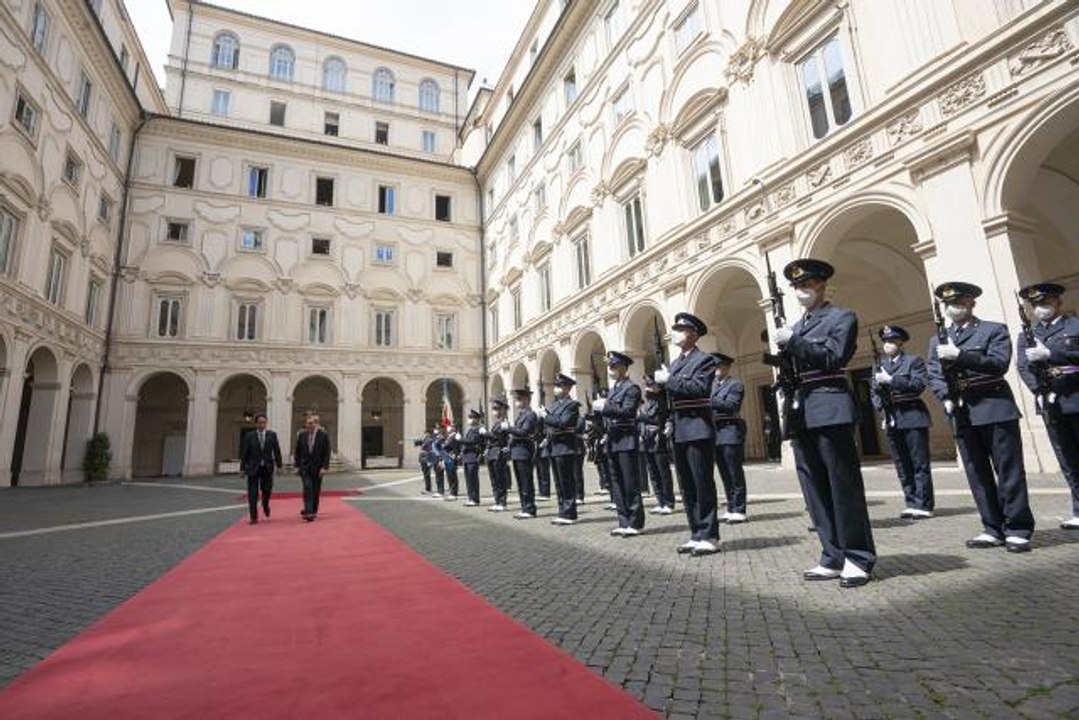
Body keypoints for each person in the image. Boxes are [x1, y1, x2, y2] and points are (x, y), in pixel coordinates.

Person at [773, 259, 876, 587]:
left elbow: (833, 357)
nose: (801, 292)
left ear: (821, 285)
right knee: (814, 488)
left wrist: (792, 342)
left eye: (806, 285)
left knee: (843, 485)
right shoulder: (799, 324)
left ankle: (857, 556)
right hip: (801, 410)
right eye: (797, 288)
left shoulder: (841, 317)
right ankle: (832, 555)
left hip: (830, 405)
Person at [927, 281, 1035, 552]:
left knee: (1008, 470)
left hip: (993, 404)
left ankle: (1018, 527)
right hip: (961, 411)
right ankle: (992, 527)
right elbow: (934, 373)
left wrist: (960, 355)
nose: (954, 308)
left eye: (959, 302)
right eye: (949, 304)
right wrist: (946, 397)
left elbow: (998, 364)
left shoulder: (993, 330)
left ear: (971, 303)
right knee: (977, 472)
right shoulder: (937, 340)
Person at [654, 312, 720, 556]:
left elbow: (699, 388)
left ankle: (710, 534)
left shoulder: (705, 360)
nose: (677, 333)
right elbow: (673, 395)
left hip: (698, 428)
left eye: (681, 329)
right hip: (681, 428)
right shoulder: (677, 362)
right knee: (687, 485)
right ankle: (696, 533)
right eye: (676, 328)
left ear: (693, 334)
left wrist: (669, 381)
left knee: (702, 483)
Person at [1017, 282, 1079, 529]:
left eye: (1045, 302)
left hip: (1075, 395)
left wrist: (1051, 355)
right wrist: (1039, 390)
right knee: (1067, 458)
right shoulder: (1027, 335)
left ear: (1058, 302)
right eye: (1036, 305)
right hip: (1050, 402)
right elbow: (1023, 366)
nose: (1041, 308)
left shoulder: (1074, 325)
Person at [871, 325, 935, 519]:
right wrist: (882, 410)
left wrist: (891, 380)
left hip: (912, 414)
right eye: (885, 342)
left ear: (900, 342)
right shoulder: (879, 365)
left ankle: (924, 504)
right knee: (901, 463)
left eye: (892, 341)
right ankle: (911, 501)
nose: (888, 345)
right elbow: (874, 392)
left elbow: (917, 386)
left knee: (919, 462)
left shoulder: (913, 361)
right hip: (892, 418)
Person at [595, 352, 645, 536]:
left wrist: (606, 407)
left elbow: (628, 411)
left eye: (614, 367)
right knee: (616, 483)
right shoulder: (614, 389)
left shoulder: (632, 388)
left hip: (625, 439)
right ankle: (623, 521)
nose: (611, 370)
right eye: (610, 367)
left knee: (630, 483)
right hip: (613, 440)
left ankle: (635, 522)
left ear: (624, 367)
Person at [710, 353, 748, 524]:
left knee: (735, 472)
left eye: (718, 367)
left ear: (726, 367)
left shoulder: (735, 384)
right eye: (714, 367)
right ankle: (731, 506)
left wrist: (710, 400)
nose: (716, 370)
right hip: (715, 433)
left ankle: (740, 509)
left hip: (730, 430)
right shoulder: (711, 386)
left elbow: (732, 405)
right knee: (724, 473)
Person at [542, 373, 582, 525]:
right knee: (558, 482)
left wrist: (547, 417)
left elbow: (564, 422)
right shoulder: (556, 405)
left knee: (567, 482)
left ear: (567, 388)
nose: (556, 389)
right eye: (556, 386)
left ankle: (570, 513)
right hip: (554, 446)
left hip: (565, 446)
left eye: (559, 386)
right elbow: (552, 424)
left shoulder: (572, 405)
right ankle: (562, 511)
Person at [639, 376, 675, 515]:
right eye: (647, 386)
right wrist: (642, 433)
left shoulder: (662, 402)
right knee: (653, 472)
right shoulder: (646, 405)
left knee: (663, 472)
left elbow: (658, 419)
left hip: (658, 439)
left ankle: (669, 502)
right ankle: (660, 501)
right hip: (647, 439)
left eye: (651, 386)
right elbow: (642, 421)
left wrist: (643, 418)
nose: (648, 389)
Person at [238, 413, 282, 524]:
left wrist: (280, 466)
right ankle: (254, 517)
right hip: (253, 467)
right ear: (256, 423)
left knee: (266, 491)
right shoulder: (249, 436)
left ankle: (265, 505)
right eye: (259, 422)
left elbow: (277, 451)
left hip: (267, 467)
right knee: (252, 493)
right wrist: (242, 469)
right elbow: (244, 453)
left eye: (264, 422)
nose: (262, 424)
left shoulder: (272, 435)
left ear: (266, 423)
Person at [506, 388, 539, 519]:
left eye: (519, 399)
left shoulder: (530, 415)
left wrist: (509, 428)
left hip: (524, 451)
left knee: (526, 481)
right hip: (517, 451)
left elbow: (524, 432)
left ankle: (530, 508)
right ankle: (524, 507)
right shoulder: (521, 415)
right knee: (520, 482)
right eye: (516, 399)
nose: (517, 402)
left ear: (526, 400)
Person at [294, 414, 331, 521]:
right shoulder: (302, 435)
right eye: (307, 423)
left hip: (318, 468)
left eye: (311, 423)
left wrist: (324, 467)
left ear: (316, 423)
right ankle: (309, 511)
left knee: (315, 490)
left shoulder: (323, 435)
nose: (309, 425)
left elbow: (326, 453)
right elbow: (297, 452)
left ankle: (313, 510)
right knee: (307, 488)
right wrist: (297, 466)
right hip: (305, 467)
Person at [483, 398, 511, 512]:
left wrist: (486, 434)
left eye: (497, 409)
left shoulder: (504, 423)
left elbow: (497, 437)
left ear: (503, 410)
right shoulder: (496, 423)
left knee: (500, 479)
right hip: (492, 453)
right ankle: (497, 501)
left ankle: (502, 502)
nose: (495, 411)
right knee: (494, 479)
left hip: (499, 452)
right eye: (494, 409)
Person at [460, 409, 485, 507]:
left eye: (471, 417)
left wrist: (461, 440)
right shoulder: (470, 430)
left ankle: (475, 499)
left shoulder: (478, 430)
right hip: (467, 457)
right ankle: (471, 498)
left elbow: (472, 442)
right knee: (468, 479)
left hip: (473, 456)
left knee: (473, 479)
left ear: (476, 419)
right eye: (469, 417)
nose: (469, 419)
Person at [441, 424, 461, 501]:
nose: (449, 428)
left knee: (452, 475)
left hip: (451, 458)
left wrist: (455, 455)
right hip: (447, 458)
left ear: (454, 428)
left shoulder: (455, 436)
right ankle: (451, 491)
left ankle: (454, 493)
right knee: (449, 475)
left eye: (451, 426)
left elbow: (456, 447)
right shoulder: (449, 437)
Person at [430, 424, 446, 498]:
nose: (436, 430)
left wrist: (441, 460)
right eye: (435, 428)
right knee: (437, 476)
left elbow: (442, 450)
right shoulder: (434, 438)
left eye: (438, 428)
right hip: (434, 459)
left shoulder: (441, 438)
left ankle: (441, 491)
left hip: (439, 459)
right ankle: (439, 490)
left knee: (440, 476)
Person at [417, 429, 435, 495]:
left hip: (427, 458)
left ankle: (428, 489)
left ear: (429, 433)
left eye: (426, 433)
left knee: (427, 474)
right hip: (423, 458)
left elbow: (430, 450)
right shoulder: (425, 439)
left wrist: (430, 460)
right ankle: (427, 488)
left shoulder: (429, 440)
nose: (425, 434)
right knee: (425, 473)